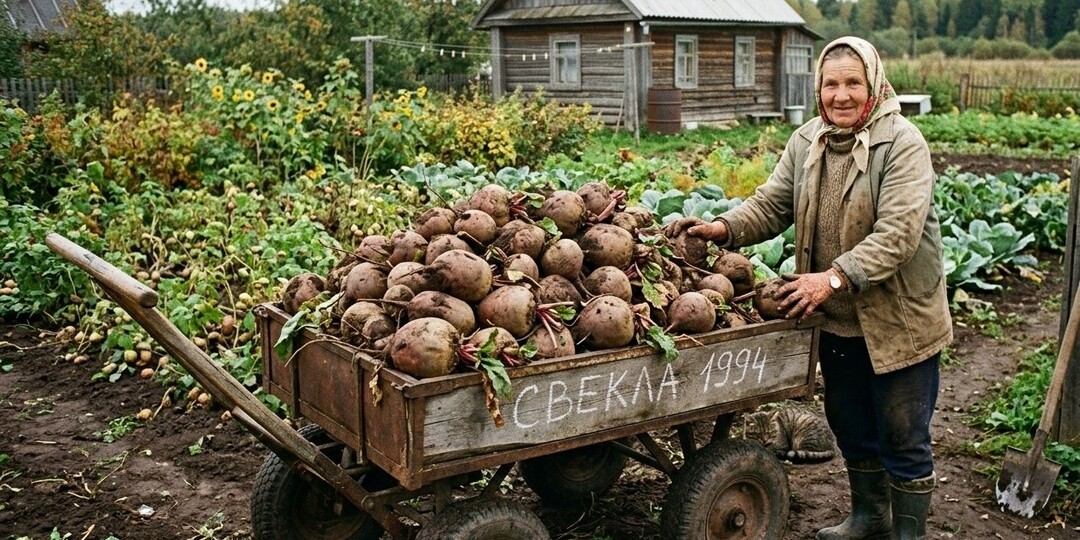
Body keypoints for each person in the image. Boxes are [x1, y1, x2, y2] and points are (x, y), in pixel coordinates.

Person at [666, 36, 951, 540]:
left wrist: (832, 277)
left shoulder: (902, 143)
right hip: (836, 319)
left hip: (900, 322)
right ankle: (869, 518)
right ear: (817, 88)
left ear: (874, 85)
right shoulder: (808, 140)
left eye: (853, 83)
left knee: (903, 434)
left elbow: (898, 235)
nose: (841, 95)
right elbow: (772, 203)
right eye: (830, 84)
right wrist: (723, 228)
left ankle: (908, 534)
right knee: (851, 425)